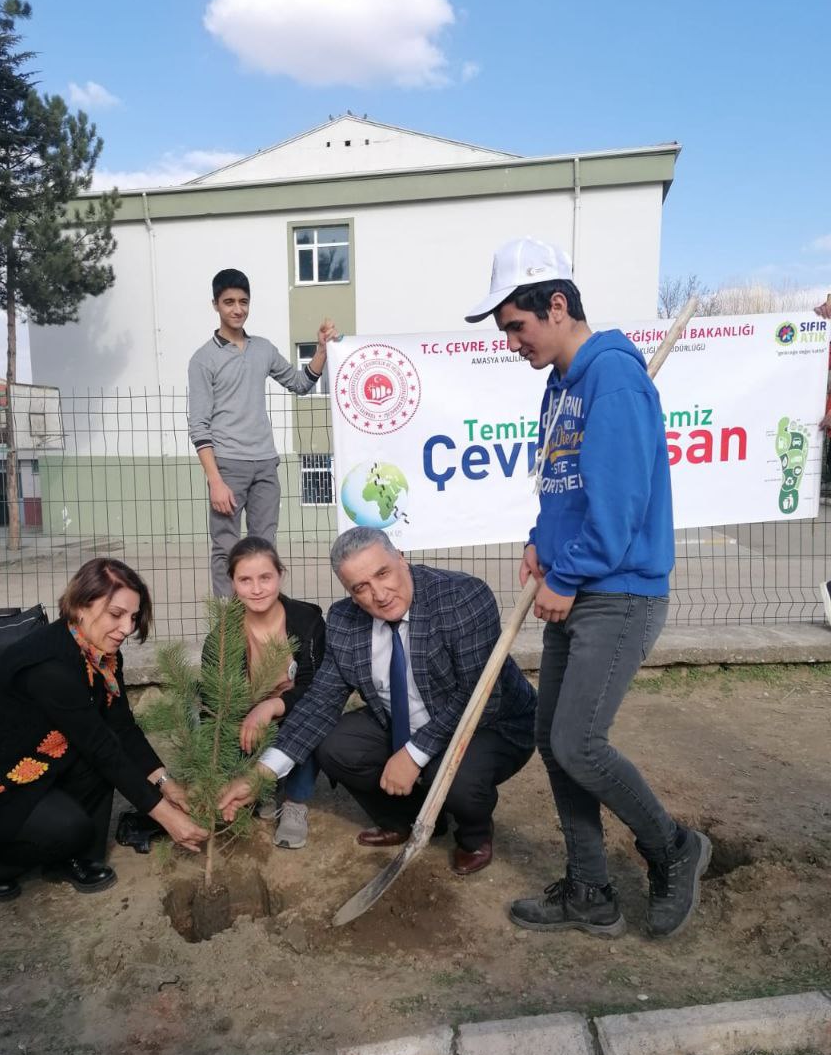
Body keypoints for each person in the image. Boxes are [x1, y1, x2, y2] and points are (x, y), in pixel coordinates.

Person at [465, 236, 711, 939]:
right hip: (576, 581)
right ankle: (590, 891)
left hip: (619, 590)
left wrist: (568, 573)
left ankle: (673, 847)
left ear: (559, 304)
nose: (511, 341)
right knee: (555, 739)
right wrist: (541, 543)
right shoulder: (560, 386)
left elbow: (625, 502)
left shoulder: (614, 378)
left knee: (579, 740)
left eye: (517, 325)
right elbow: (564, 485)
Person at [219, 527, 536, 876]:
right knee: (335, 744)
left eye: (382, 573)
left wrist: (414, 755)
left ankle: (474, 834)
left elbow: (478, 699)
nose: (379, 594)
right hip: (405, 718)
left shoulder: (461, 598)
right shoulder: (344, 621)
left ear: (400, 557)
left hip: (491, 724)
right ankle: (408, 818)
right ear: (349, 592)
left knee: (447, 774)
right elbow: (317, 705)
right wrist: (259, 776)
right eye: (360, 587)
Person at [0, 558, 207, 902]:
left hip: (29, 759)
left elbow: (122, 727)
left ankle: (77, 859)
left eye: (133, 617)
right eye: (116, 614)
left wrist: (165, 783)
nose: (127, 628)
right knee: (67, 826)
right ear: (82, 605)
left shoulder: (100, 653)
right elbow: (102, 748)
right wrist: (165, 816)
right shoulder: (50, 667)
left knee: (96, 769)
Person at [187, 267, 339, 596]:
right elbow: (198, 425)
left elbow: (299, 384)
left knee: (264, 548)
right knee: (226, 549)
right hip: (227, 465)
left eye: (243, 301)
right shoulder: (203, 359)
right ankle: (228, 630)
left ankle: (264, 620)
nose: (237, 309)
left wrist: (322, 352)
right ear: (215, 304)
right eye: (229, 302)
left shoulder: (263, 349)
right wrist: (215, 481)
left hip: (266, 464)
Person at [203, 536, 325, 850]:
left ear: (280, 576)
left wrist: (273, 704)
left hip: (293, 711)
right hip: (247, 723)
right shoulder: (222, 638)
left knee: (309, 718)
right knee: (224, 732)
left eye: (265, 578)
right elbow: (215, 704)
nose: (256, 589)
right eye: (245, 579)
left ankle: (296, 803)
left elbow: (315, 689)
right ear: (232, 582)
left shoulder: (307, 622)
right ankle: (261, 789)